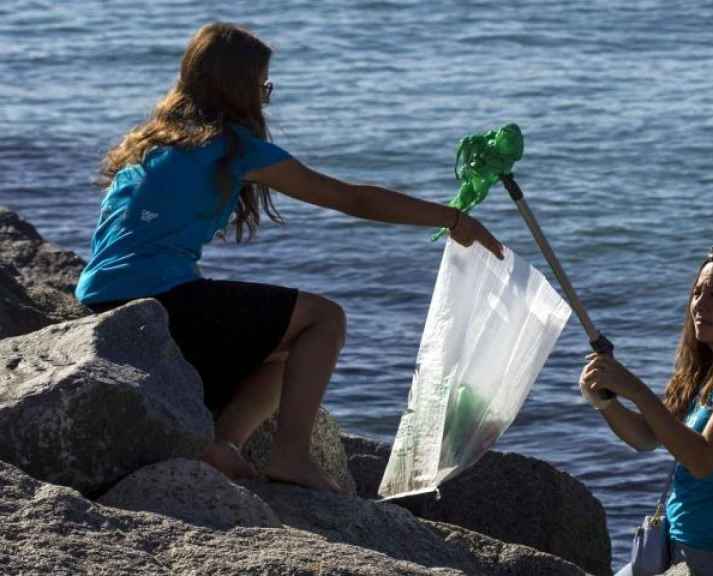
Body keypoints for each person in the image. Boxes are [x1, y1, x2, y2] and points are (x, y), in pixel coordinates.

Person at [74, 22, 504, 493]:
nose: (265, 95)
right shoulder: (231, 146)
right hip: (159, 303)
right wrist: (453, 218)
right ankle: (291, 456)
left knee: (286, 350)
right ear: (241, 87)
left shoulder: (150, 142)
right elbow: (351, 198)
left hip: (101, 305)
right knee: (323, 320)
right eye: (263, 86)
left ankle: (222, 446)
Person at [579, 244, 713, 575]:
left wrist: (635, 389)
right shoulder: (707, 368)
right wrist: (605, 400)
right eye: (696, 293)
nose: (699, 305)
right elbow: (647, 437)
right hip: (676, 547)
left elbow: (702, 459)